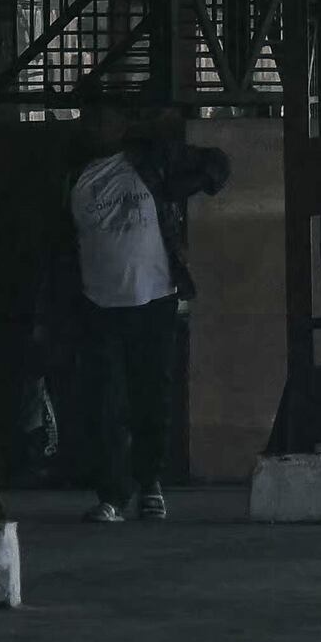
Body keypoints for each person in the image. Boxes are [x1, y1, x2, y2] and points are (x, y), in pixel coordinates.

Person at [68, 114, 227, 522]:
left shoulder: (150, 161)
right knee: (104, 402)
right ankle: (112, 494)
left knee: (151, 396)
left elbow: (215, 163)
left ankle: (149, 484)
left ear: (121, 126)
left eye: (105, 119)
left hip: (154, 297)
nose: (97, 127)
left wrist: (187, 186)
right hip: (95, 303)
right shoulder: (73, 175)